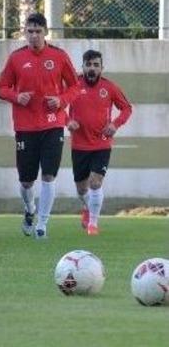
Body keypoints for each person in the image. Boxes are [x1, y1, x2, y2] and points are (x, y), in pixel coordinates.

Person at [0, 12, 80, 239]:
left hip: (53, 124)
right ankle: (30, 209)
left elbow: (75, 86)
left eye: (38, 31)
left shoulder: (59, 56)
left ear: (45, 32)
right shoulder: (16, 58)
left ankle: (42, 224)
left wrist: (61, 100)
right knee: (26, 180)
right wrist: (16, 96)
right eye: (29, 31)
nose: (33, 36)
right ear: (25, 32)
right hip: (25, 126)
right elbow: (2, 87)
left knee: (49, 176)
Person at [67, 50, 132, 235]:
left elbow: (126, 108)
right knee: (81, 189)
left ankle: (93, 224)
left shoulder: (109, 87)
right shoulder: (73, 85)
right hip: (79, 145)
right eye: (89, 65)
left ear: (102, 68)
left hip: (102, 143)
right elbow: (58, 106)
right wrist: (67, 121)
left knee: (95, 183)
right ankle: (88, 208)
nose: (92, 68)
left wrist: (115, 124)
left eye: (96, 65)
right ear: (83, 67)